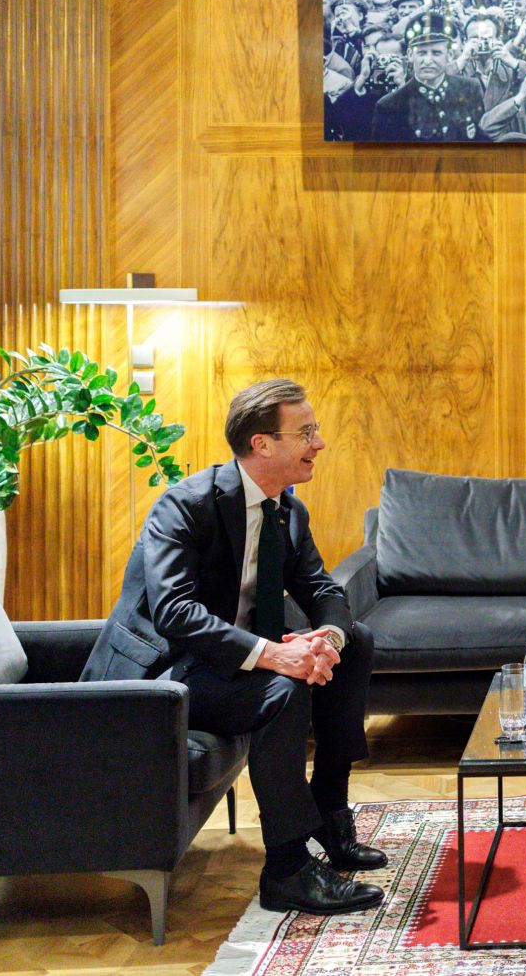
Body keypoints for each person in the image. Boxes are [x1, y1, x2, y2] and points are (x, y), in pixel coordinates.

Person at [83, 380, 387, 916]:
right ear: (262, 444)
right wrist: (275, 655)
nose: (319, 443)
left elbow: (321, 590)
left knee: (355, 641)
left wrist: (327, 639)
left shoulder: (287, 510)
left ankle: (331, 812)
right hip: (165, 673)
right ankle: (287, 870)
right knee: (280, 691)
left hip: (226, 663)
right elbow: (175, 613)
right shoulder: (185, 506)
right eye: (306, 433)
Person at [370, 10, 486, 142]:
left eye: (436, 53)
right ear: (410, 55)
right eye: (422, 53)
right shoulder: (390, 105)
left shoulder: (470, 88)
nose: (428, 61)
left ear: (449, 55)